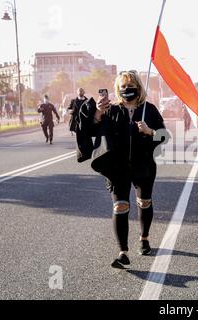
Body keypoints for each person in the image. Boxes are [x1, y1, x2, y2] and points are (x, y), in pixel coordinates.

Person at [78, 70, 166, 268]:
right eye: (123, 86)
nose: (127, 89)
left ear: (138, 88)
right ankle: (123, 252)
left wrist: (149, 131)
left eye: (131, 85)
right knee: (120, 206)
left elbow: (164, 136)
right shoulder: (112, 109)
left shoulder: (149, 110)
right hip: (117, 166)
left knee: (144, 202)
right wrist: (98, 113)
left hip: (143, 164)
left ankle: (144, 238)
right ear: (118, 89)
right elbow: (91, 130)